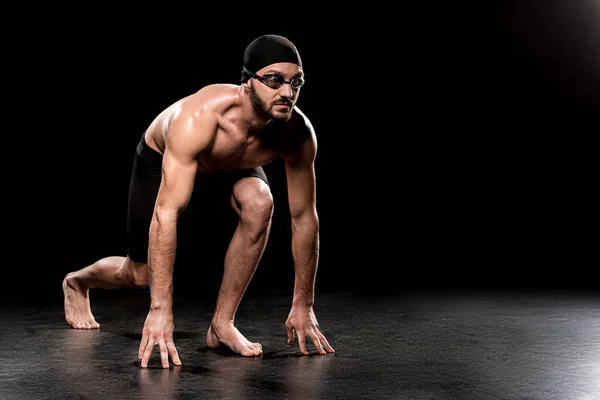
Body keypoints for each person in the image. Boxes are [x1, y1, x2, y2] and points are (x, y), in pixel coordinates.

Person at [62, 34, 335, 368]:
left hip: (234, 160)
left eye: (296, 82)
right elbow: (166, 214)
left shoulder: (298, 132)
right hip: (165, 155)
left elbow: (304, 218)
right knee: (139, 276)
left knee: (260, 203)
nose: (287, 93)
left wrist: (303, 304)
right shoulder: (200, 119)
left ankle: (222, 325)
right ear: (247, 82)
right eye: (274, 80)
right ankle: (77, 282)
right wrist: (160, 311)